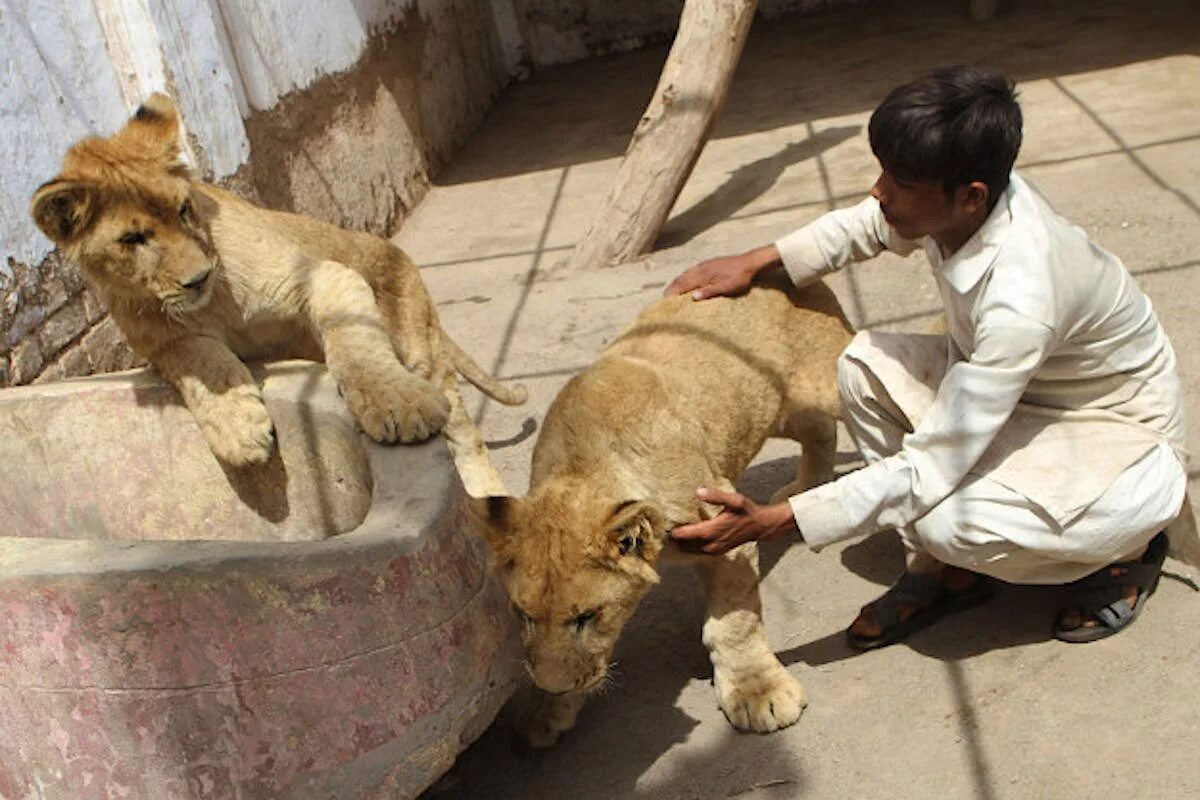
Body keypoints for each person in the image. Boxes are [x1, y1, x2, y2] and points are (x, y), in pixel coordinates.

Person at [665, 64, 1197, 647]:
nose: (878, 190)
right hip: (1021, 394)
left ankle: (1131, 549)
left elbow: (932, 465)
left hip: (1111, 434)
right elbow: (869, 223)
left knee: (949, 521)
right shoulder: (978, 195)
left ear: (970, 197)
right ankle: (941, 571)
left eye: (900, 181)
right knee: (860, 366)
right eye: (884, 171)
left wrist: (772, 522)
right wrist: (755, 261)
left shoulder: (1025, 295)